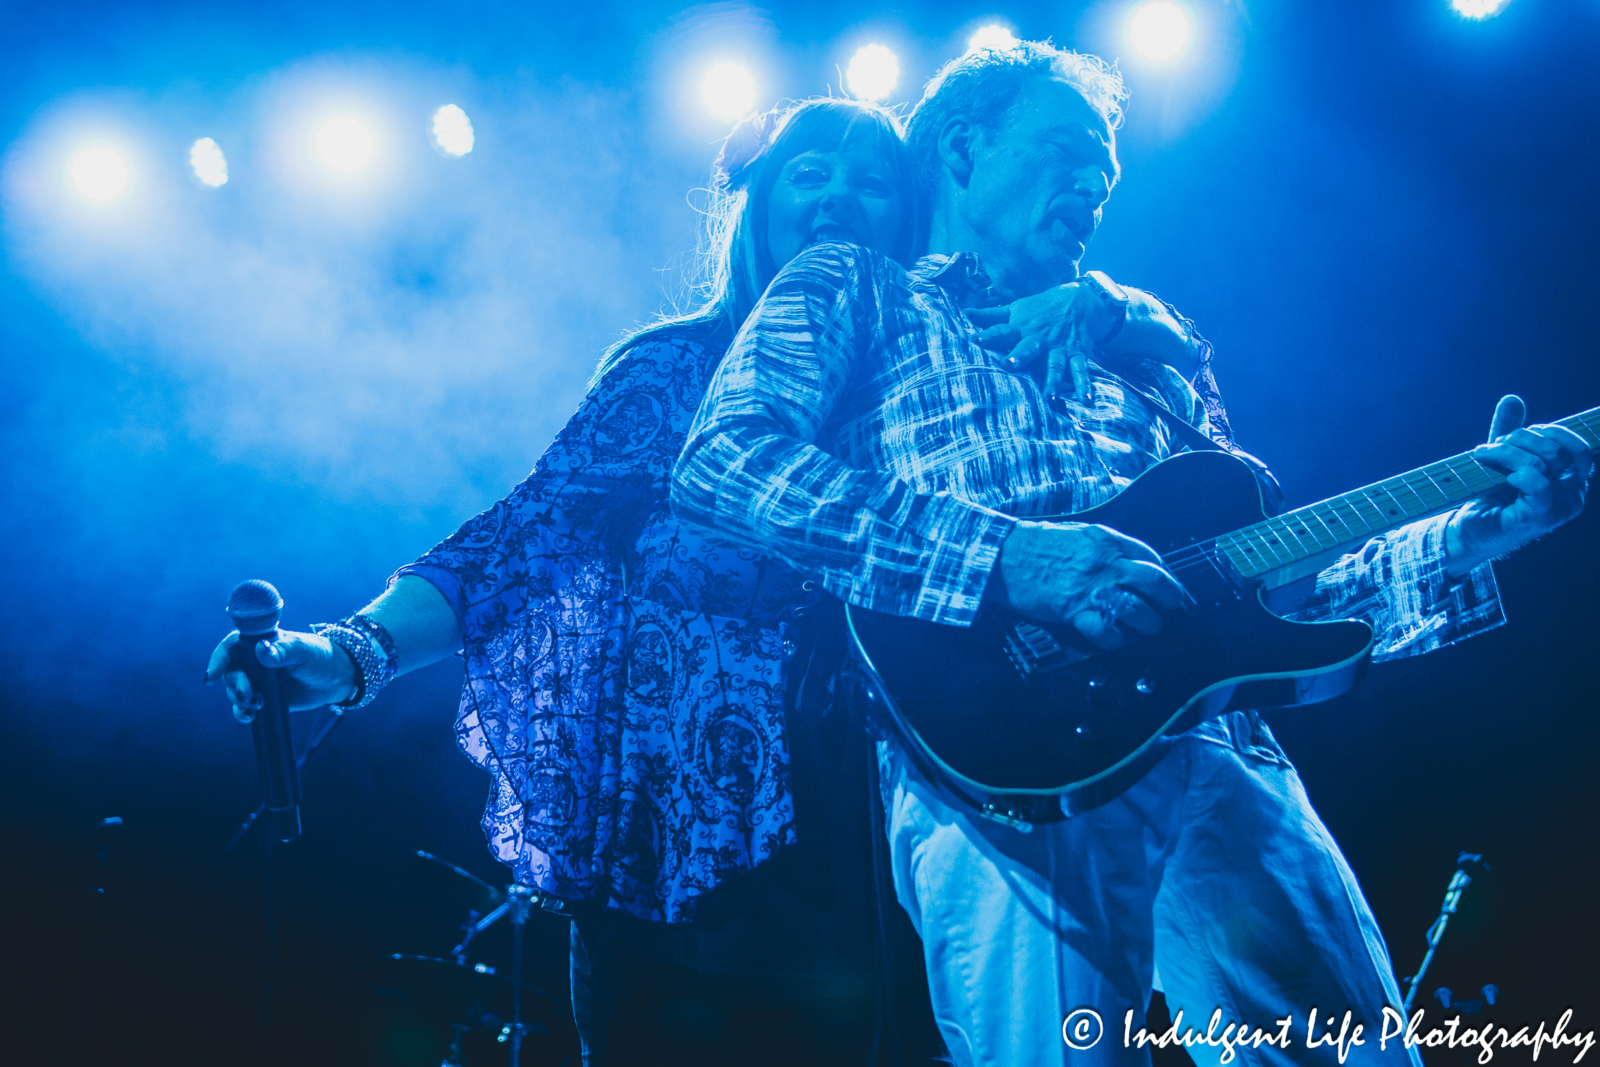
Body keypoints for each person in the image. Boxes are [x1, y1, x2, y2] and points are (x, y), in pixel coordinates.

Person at [671, 42, 1591, 1067]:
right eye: (1068, 153)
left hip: (1222, 750)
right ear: (965, 152)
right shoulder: (857, 286)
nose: (1092, 190)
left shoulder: (1145, 362)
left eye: (1104, 177)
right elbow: (725, 461)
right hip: (1002, 757)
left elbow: (1271, 582)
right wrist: (1011, 557)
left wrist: (1471, 532)